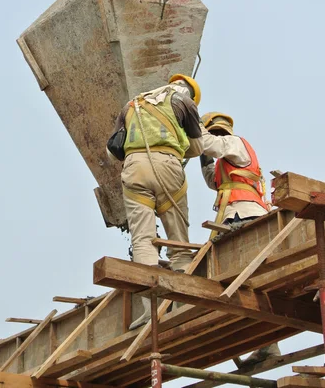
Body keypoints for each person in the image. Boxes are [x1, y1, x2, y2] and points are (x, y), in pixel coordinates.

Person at [107, 74, 203, 329]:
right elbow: (197, 147)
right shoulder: (185, 102)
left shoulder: (131, 105)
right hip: (168, 165)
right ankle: (183, 302)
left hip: (134, 168)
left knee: (142, 240)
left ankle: (150, 308)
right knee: (179, 242)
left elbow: (111, 148)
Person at [200, 112, 280, 363]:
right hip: (232, 219)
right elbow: (213, 181)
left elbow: (211, 144)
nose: (217, 137)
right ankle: (267, 344)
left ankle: (267, 344)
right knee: (245, 285)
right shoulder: (226, 161)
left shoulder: (236, 144)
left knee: (249, 281)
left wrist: (194, 132)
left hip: (246, 217)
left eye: (217, 133)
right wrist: (202, 159)